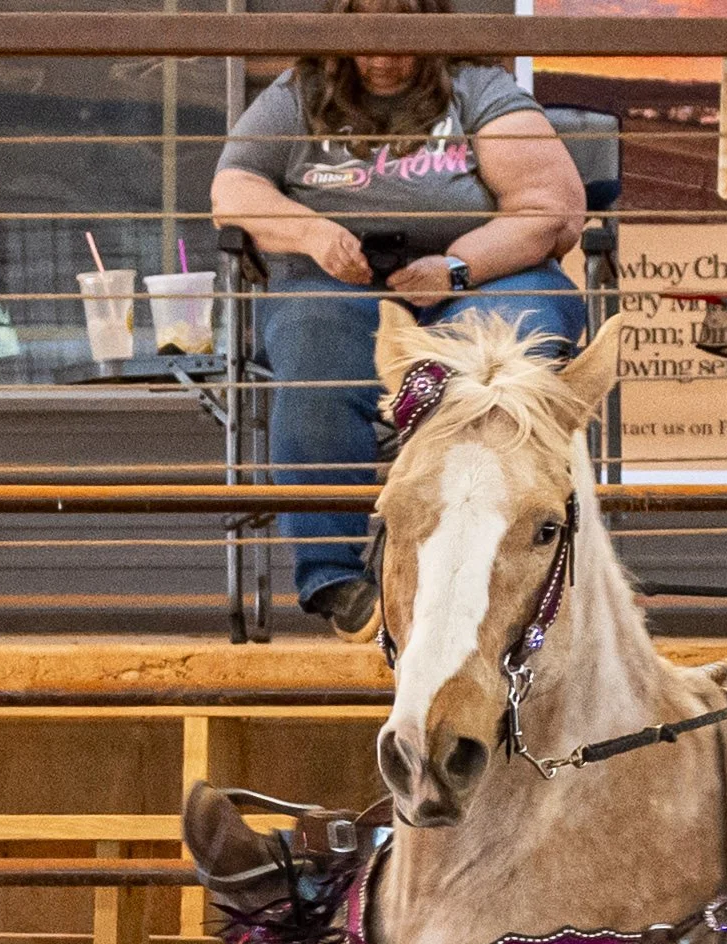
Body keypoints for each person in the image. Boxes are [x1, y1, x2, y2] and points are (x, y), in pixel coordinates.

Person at [210, 0, 588, 640]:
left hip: (477, 275)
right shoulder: (302, 90)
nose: (384, 54)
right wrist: (310, 233)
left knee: (514, 338)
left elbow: (549, 207)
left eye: (402, 32)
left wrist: (458, 267)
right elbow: (234, 191)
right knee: (311, 340)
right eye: (368, 32)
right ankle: (334, 579)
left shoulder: (477, 87)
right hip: (338, 281)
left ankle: (501, 563)